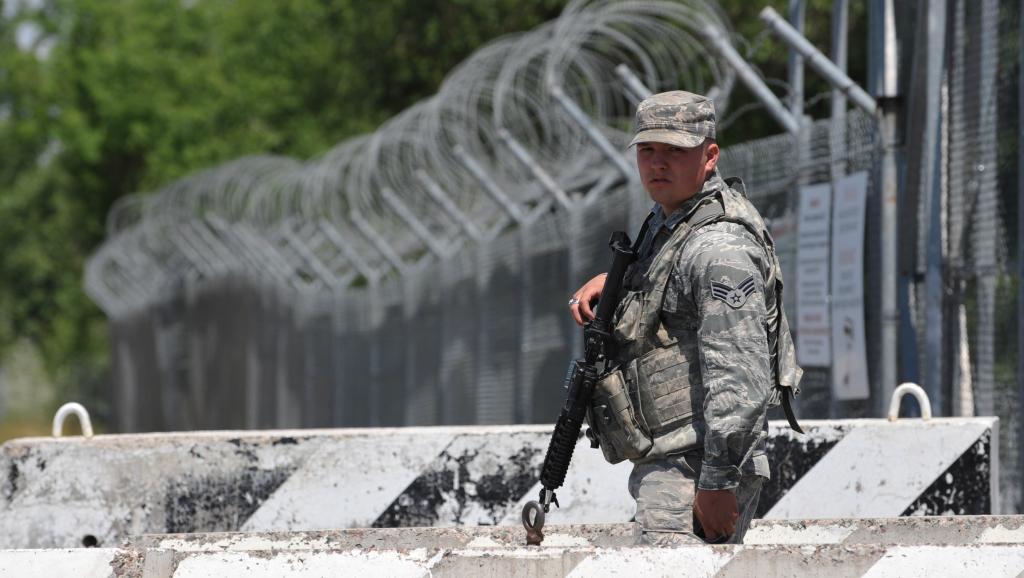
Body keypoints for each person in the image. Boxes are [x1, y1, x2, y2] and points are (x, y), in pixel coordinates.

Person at [568, 90, 801, 546]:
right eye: (648, 150)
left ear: (709, 156)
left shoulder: (720, 248)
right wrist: (617, 282)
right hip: (673, 457)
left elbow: (740, 374)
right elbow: (672, 300)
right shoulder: (672, 220)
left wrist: (717, 482)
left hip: (698, 464)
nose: (658, 163)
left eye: (675, 151)